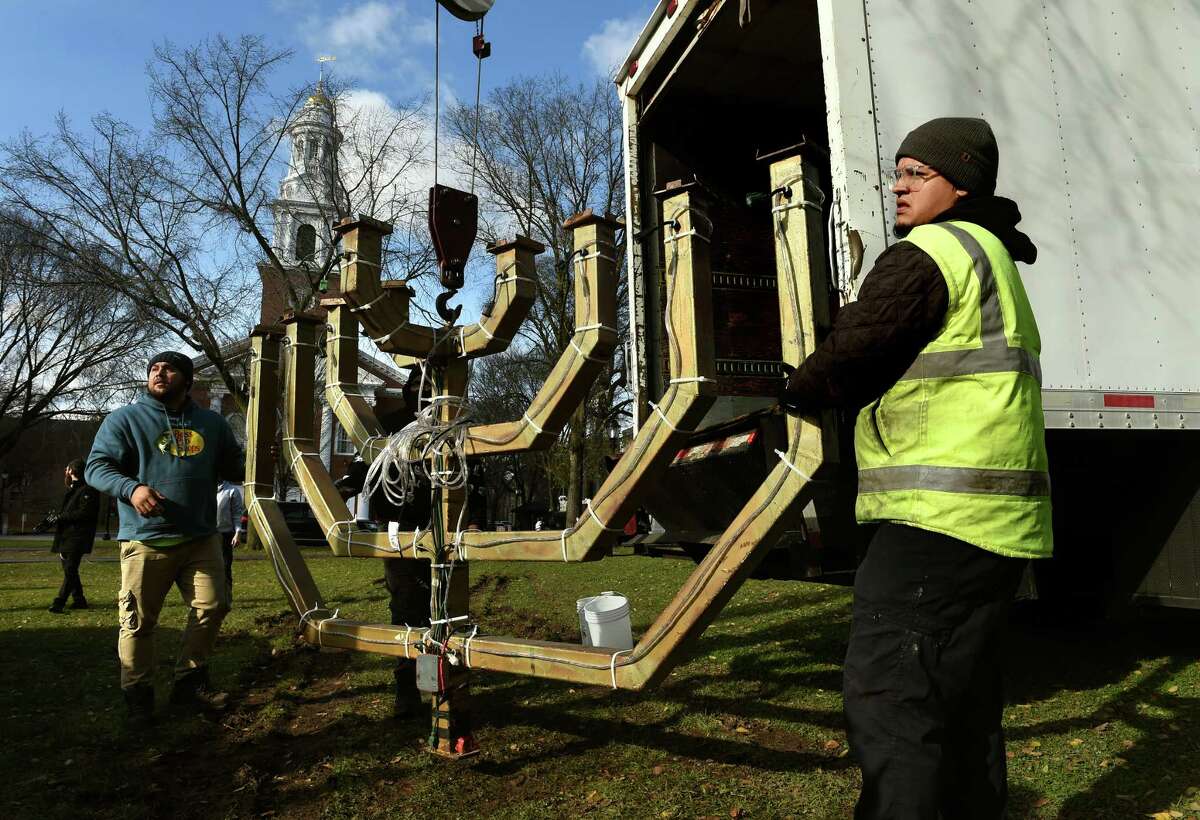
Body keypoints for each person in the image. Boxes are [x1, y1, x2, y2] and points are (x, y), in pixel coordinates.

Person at [780, 117, 1051, 818]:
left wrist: (797, 386)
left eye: (915, 174)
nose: (897, 187)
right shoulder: (993, 257)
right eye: (896, 173)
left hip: (938, 521)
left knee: (892, 698)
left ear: (959, 183)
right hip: (997, 525)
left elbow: (854, 355)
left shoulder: (930, 252)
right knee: (962, 707)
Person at [85, 351, 244, 727]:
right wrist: (131, 488)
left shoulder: (211, 423)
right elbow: (96, 466)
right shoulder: (125, 419)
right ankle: (138, 696)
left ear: (187, 380)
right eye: (154, 368)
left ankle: (189, 683)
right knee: (138, 622)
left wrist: (260, 458)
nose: (159, 373)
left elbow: (234, 466)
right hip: (146, 539)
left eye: (168, 369)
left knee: (213, 605)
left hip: (200, 537)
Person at [334, 369, 431, 718]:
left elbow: (472, 472)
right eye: (413, 384)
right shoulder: (388, 423)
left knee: (444, 608)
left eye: (427, 384)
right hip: (399, 530)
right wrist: (346, 485)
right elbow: (366, 463)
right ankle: (407, 688)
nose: (418, 390)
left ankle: (438, 681)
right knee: (406, 608)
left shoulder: (453, 423)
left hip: (442, 528)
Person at [48, 458, 99, 613]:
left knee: (70, 569)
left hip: (78, 536)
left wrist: (61, 517)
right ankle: (79, 600)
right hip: (68, 536)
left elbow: (84, 513)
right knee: (70, 570)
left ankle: (59, 602)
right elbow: (69, 512)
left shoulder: (87, 490)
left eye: (67, 469)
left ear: (71, 470)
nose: (65, 471)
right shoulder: (74, 490)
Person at [215, 478, 245, 600]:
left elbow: (237, 514)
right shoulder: (204, 488)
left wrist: (237, 533)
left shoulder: (232, 491)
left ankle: (227, 596)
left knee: (225, 566)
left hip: (225, 534)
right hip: (208, 534)